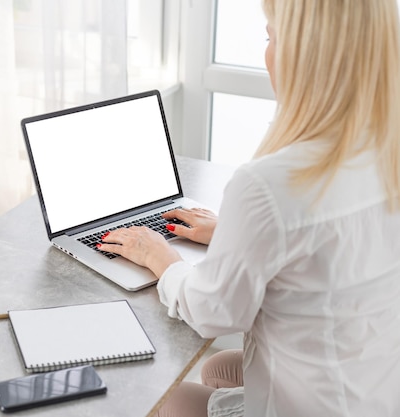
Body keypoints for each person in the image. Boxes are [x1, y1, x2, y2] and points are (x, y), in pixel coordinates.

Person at [97, 0, 400, 416]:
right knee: (221, 367)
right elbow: (332, 247)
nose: (268, 53)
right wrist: (234, 234)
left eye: (270, 36)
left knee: (164, 401)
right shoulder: (386, 150)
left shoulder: (269, 182)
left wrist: (159, 256)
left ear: (305, 56)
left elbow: (213, 312)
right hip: (376, 388)